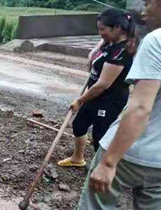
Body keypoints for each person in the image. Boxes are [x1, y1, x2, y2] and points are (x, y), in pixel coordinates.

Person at [51, 0, 161, 210]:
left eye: (150, 1)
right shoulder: (126, 44)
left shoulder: (157, 40)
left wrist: (109, 162)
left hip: (130, 151)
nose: (145, 7)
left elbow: (140, 108)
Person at [58, 8, 136, 168]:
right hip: (94, 95)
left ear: (117, 28)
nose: (100, 33)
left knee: (100, 136)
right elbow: (98, 49)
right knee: (79, 124)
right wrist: (93, 54)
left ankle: (102, 169)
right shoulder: (110, 41)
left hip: (109, 99)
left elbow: (103, 84)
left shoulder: (121, 52)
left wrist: (79, 100)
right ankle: (77, 158)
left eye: (102, 29)